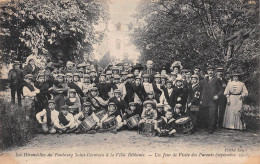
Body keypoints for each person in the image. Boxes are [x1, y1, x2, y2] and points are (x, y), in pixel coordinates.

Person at [199, 65, 223, 134]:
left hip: (213, 100)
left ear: (214, 72)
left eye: (211, 71)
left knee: (212, 114)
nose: (210, 72)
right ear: (207, 71)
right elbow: (200, 90)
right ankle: (207, 127)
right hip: (205, 100)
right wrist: (201, 99)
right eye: (209, 70)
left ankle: (211, 128)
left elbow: (221, 90)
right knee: (206, 114)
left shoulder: (217, 79)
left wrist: (217, 95)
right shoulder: (204, 80)